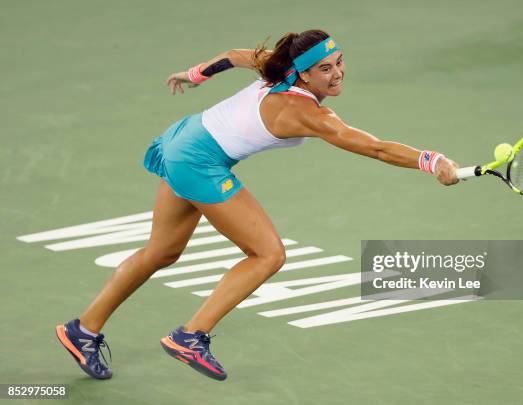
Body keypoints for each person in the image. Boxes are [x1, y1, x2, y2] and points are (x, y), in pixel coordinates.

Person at [55, 29, 459, 382]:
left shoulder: (277, 66)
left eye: (339, 62)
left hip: (184, 139)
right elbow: (374, 147)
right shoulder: (307, 113)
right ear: (303, 73)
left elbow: (233, 56)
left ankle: (82, 330)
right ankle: (191, 336)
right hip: (200, 162)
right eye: (325, 69)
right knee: (267, 254)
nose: (336, 73)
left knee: (161, 252)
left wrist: (193, 75)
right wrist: (431, 161)